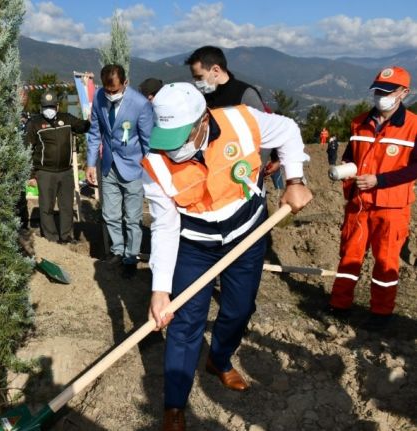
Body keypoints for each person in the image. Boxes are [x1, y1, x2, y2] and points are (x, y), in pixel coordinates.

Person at [144, 83, 312, 430]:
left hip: (247, 234)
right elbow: (164, 227)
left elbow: (289, 131)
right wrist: (160, 291)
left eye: (180, 137)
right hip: (194, 246)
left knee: (239, 309)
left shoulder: (241, 121)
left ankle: (219, 360)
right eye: (167, 138)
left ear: (203, 121)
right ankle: (175, 404)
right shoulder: (157, 164)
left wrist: (294, 179)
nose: (173, 148)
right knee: (185, 323)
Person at [327, 66, 417, 331]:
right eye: (378, 90)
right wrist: (345, 169)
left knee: (386, 261)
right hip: (359, 203)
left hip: (391, 206)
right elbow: (350, 156)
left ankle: (381, 313)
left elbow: (414, 168)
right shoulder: (359, 122)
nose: (381, 96)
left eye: (388, 91)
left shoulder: (413, 127)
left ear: (404, 93)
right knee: (349, 257)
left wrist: (381, 180)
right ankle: (339, 305)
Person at [86, 64, 153, 279]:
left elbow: (147, 140)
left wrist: (150, 170)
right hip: (108, 165)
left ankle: (131, 257)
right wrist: (89, 163)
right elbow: (95, 132)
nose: (110, 95)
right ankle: (117, 250)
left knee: (132, 218)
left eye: (114, 91)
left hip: (133, 167)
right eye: (107, 90)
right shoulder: (99, 97)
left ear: (125, 83)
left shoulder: (140, 104)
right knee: (110, 214)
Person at [184, 45, 283, 190]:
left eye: (200, 77)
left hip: (244, 176)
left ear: (216, 70)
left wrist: (255, 170)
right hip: (216, 176)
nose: (197, 83)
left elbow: (264, 134)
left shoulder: (245, 95)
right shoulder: (204, 99)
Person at [25, 90, 90, 243]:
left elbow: (82, 127)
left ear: (58, 106)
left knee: (67, 206)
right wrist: (31, 175)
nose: (49, 109)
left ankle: (66, 236)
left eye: (52, 106)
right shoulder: (34, 123)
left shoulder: (66, 119)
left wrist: (89, 120)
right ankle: (51, 239)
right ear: (41, 107)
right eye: (46, 107)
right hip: (45, 172)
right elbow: (27, 149)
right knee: (46, 207)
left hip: (66, 172)